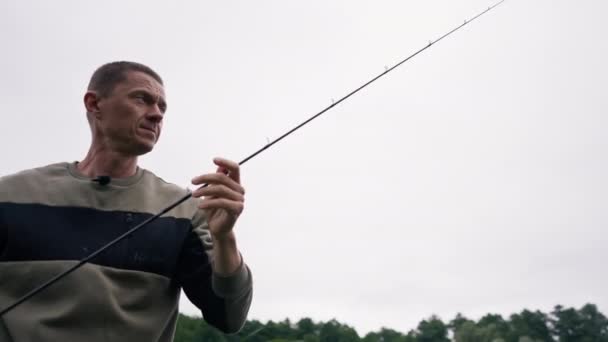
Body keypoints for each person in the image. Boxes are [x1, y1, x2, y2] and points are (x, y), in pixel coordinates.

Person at [0, 61, 253, 341]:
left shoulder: (182, 210)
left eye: (162, 107)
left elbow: (229, 316)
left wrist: (225, 236)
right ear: (94, 104)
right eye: (142, 99)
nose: (156, 114)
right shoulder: (10, 196)